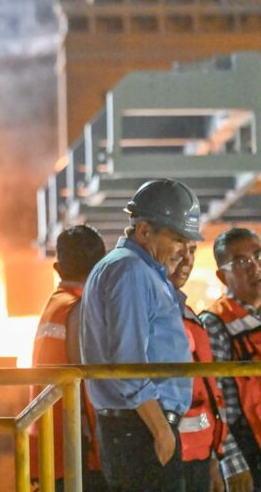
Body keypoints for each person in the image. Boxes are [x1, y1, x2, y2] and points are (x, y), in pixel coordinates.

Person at [81, 178, 201, 492]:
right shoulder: (131, 271)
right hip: (140, 429)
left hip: (137, 425)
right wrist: (160, 429)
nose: (184, 253)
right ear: (145, 231)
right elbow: (128, 360)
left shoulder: (136, 269)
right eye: (177, 240)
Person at [29, 225, 107, 491]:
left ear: (58, 268)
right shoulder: (80, 309)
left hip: (51, 445)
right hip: (78, 449)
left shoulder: (55, 306)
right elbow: (89, 385)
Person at [169, 240, 236, 492]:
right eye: (178, 250)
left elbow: (209, 392)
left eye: (192, 251)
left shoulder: (186, 314)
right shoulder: (154, 314)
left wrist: (213, 458)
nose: (186, 259)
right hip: (171, 457)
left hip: (199, 454)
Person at [200, 228, 261, 492]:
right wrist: (233, 464)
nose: (255, 267)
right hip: (249, 453)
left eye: (258, 256)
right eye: (241, 261)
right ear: (222, 276)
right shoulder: (214, 323)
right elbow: (214, 401)